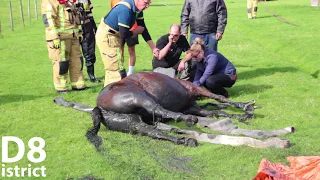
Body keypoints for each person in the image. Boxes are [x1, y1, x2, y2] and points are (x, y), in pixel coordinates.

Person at [96, 0, 159, 86]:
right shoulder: (125, 10)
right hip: (108, 36)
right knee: (115, 69)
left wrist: (153, 48)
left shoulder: (138, 10)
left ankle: (110, 94)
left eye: (149, 3)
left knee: (118, 65)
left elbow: (143, 29)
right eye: (146, 3)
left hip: (115, 35)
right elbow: (124, 34)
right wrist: (135, 31)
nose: (147, 6)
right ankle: (113, 94)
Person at [41, 0, 87, 93]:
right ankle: (61, 87)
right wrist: (54, 37)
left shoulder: (69, 1)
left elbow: (76, 18)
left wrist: (80, 32)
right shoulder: (49, 1)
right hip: (60, 38)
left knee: (77, 61)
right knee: (62, 63)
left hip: (74, 36)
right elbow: (49, 20)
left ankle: (78, 84)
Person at [111, 0, 139, 76]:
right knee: (120, 50)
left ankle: (130, 72)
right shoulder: (114, 1)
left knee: (131, 50)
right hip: (120, 29)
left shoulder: (132, 2)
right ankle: (121, 70)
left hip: (132, 28)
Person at [76, 0, 101, 83]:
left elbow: (90, 14)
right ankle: (78, 77)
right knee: (75, 55)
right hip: (74, 29)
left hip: (87, 28)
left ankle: (91, 76)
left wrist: (94, 28)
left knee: (90, 52)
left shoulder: (86, 0)